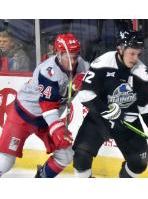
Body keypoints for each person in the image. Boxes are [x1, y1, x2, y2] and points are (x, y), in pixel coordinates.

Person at [72, 30, 148, 178]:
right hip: (99, 119)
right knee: (81, 157)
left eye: (138, 54)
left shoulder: (142, 73)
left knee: (139, 164)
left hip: (127, 121)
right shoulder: (103, 62)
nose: (135, 58)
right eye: (132, 53)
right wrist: (105, 110)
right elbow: (85, 94)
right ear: (120, 49)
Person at [0, 33, 88, 177]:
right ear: (58, 54)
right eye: (68, 56)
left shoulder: (82, 65)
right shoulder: (48, 70)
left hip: (46, 121)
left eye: (75, 56)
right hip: (23, 115)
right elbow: (48, 106)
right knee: (5, 161)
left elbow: (96, 80)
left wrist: (86, 83)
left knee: (66, 154)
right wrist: (58, 129)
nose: (72, 61)